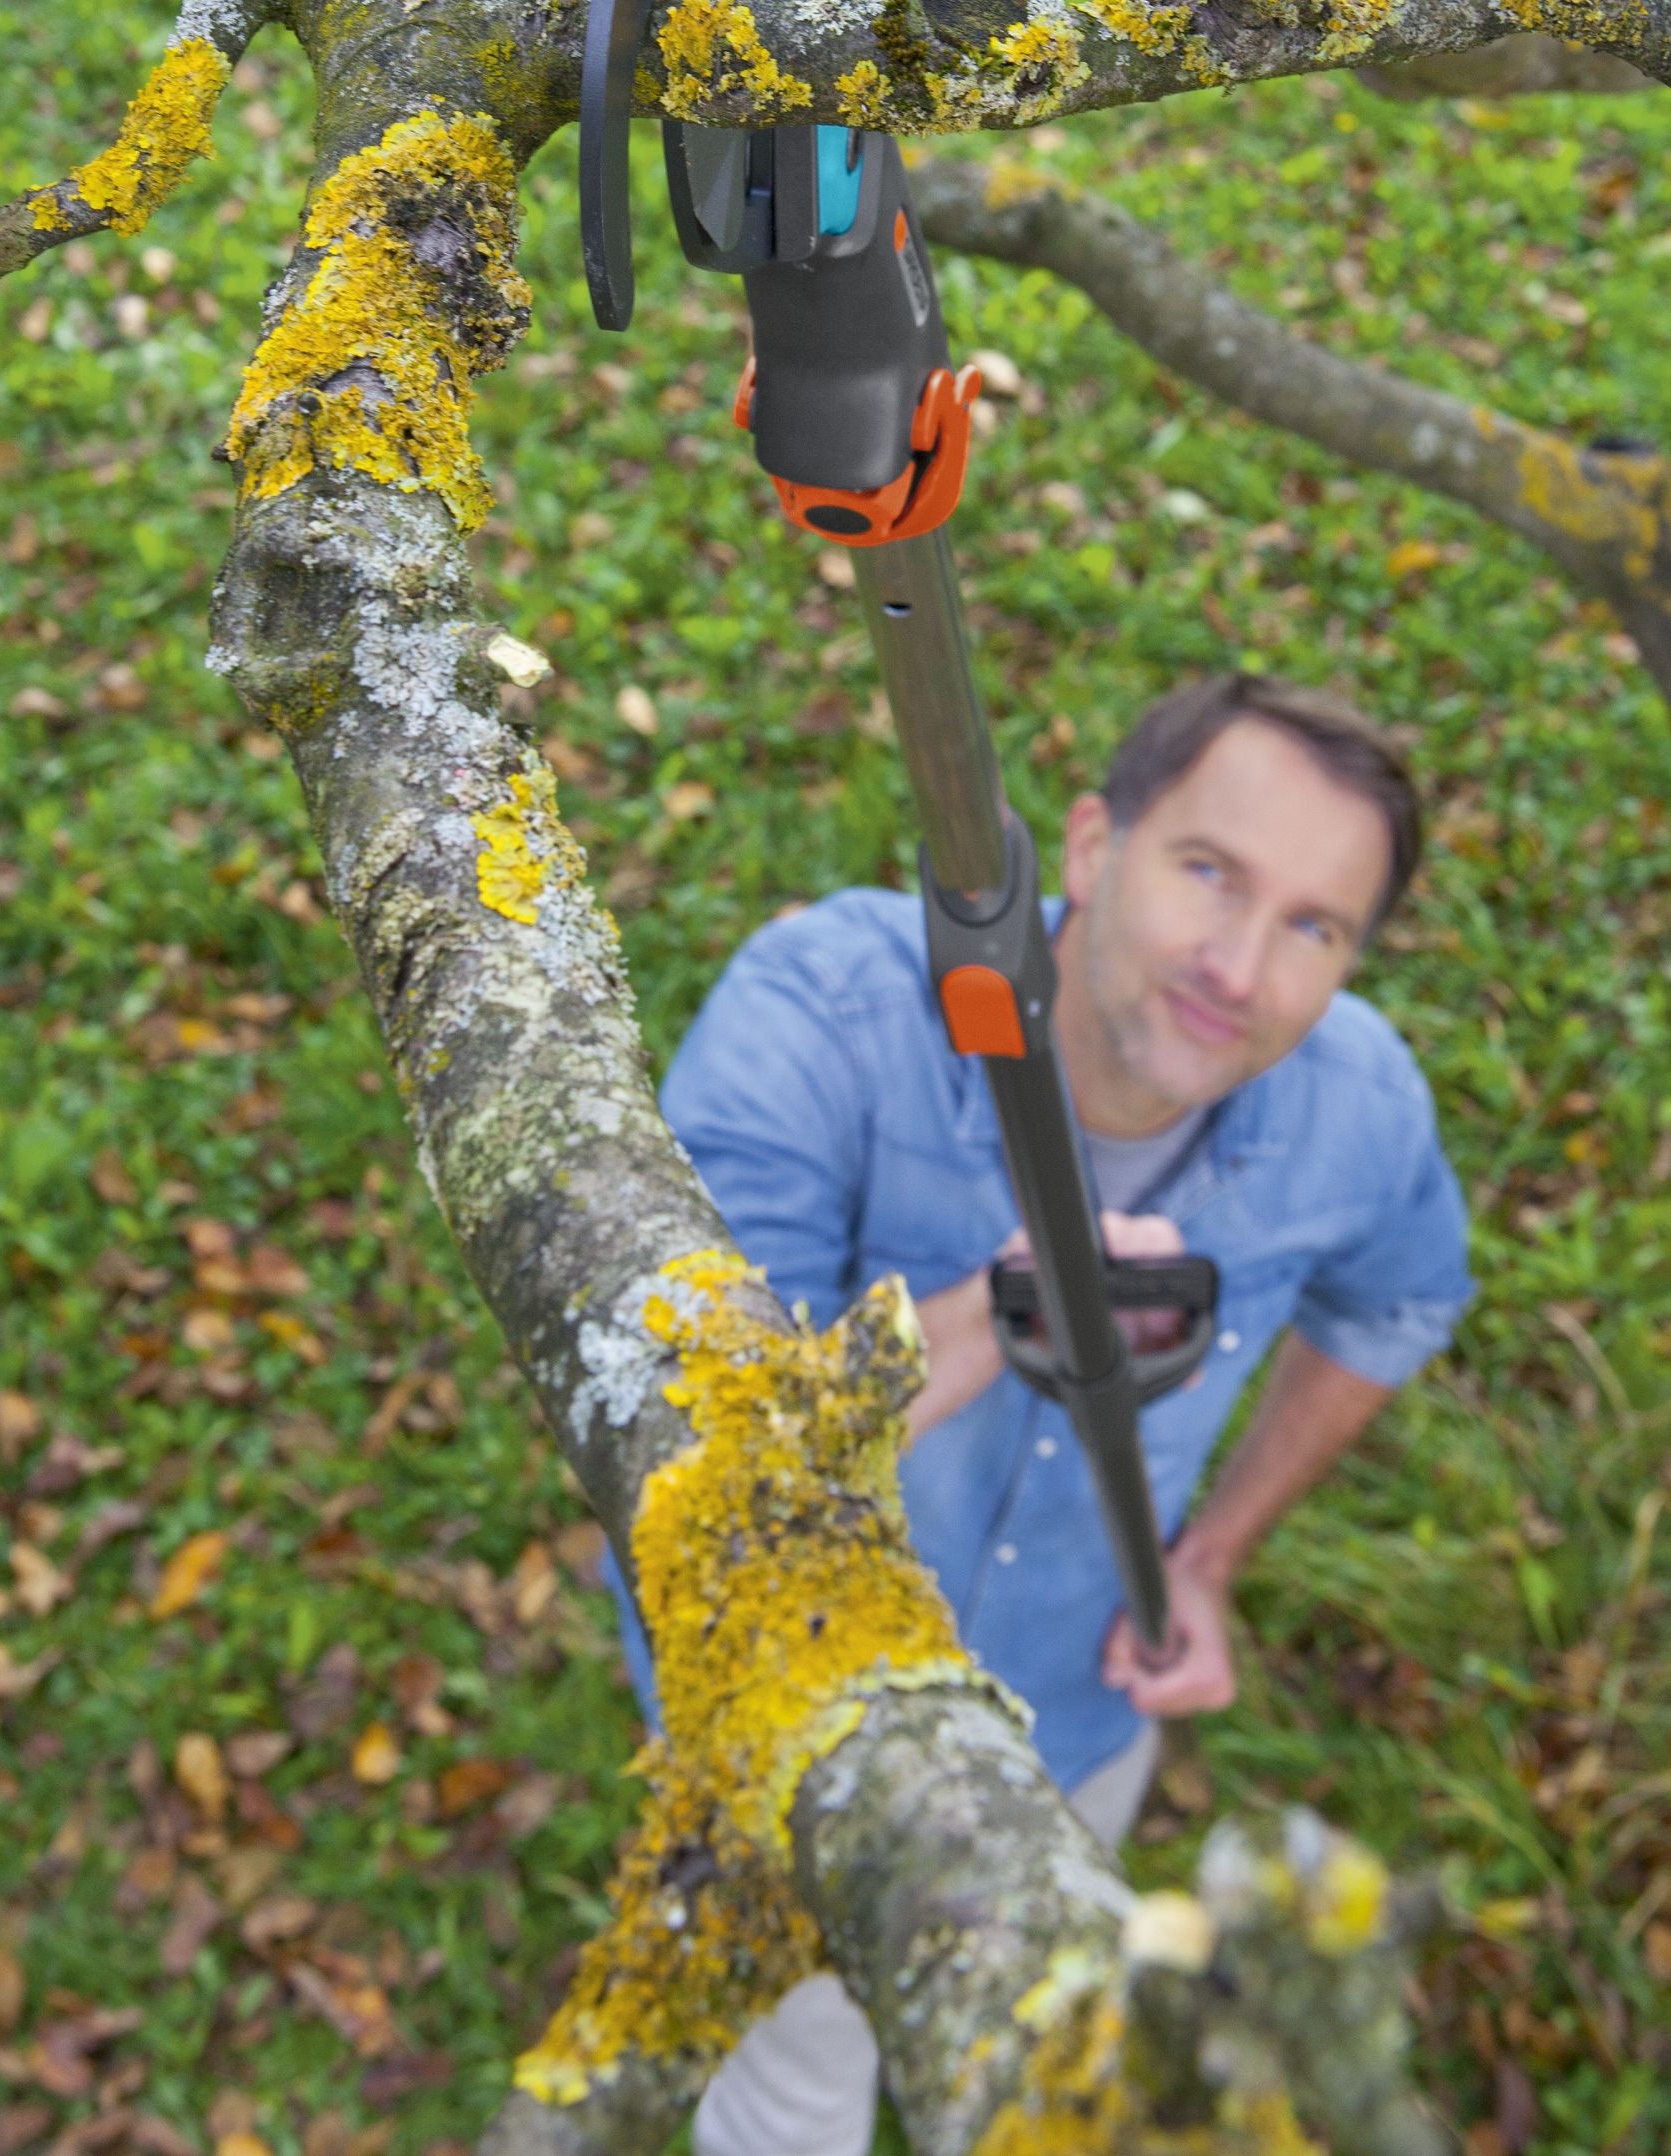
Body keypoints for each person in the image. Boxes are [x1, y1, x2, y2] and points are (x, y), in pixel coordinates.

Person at [614, 673, 1471, 2156]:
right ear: (1089, 848)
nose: (1238, 965)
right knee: (792, 2083)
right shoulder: (822, 1012)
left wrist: (1208, 1559)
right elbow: (706, 1450)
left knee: (1033, 2091)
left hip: (1071, 1727)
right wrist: (1004, 1310)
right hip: (775, 1732)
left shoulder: (1357, 1109)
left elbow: (1393, 1303)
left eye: (1311, 927)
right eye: (1209, 873)